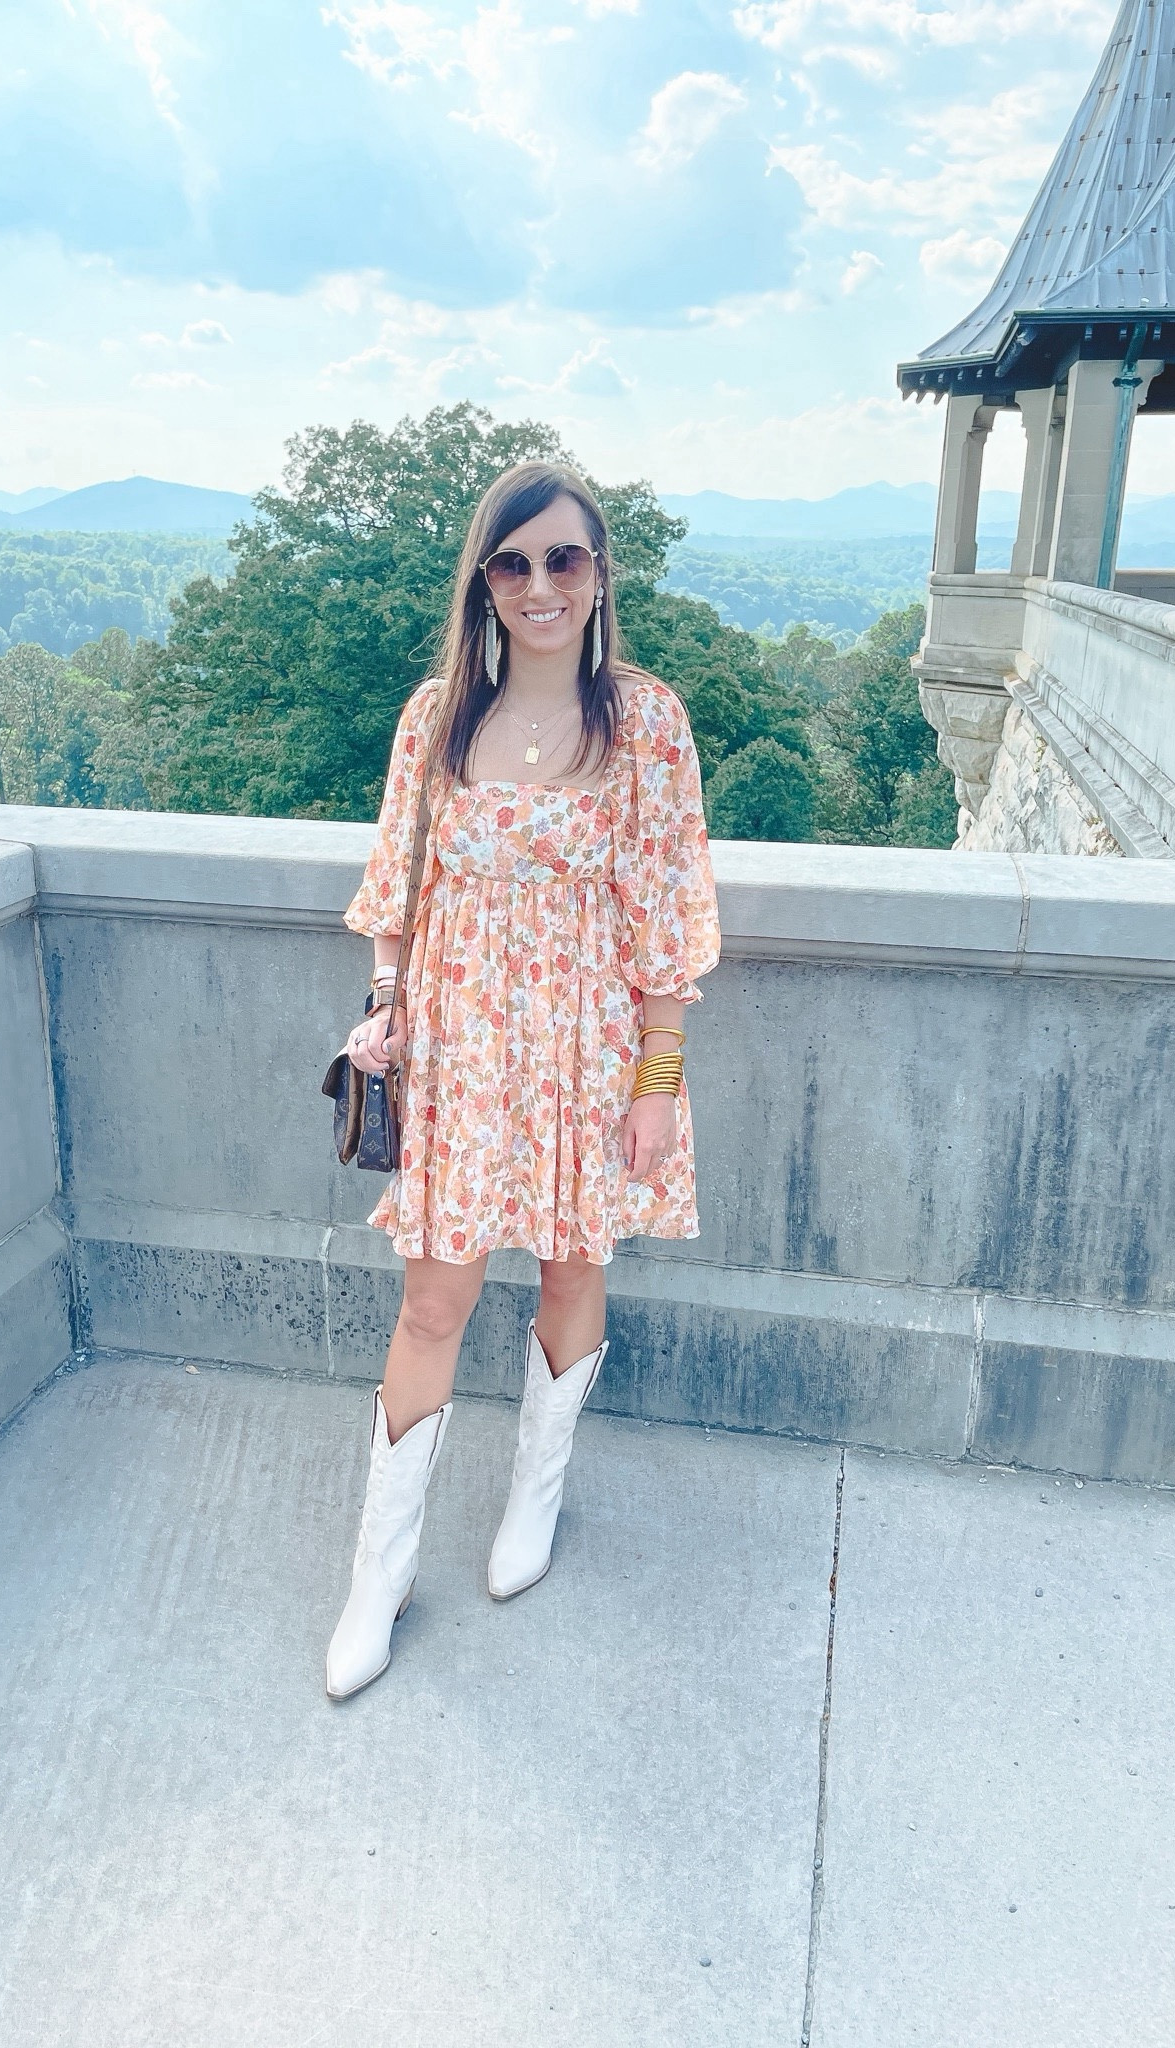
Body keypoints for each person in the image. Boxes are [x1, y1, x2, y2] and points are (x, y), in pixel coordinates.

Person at [326, 459, 720, 1699]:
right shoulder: (439, 714)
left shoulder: (645, 720)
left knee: (571, 1267)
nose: (540, 583)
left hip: (591, 1054)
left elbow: (668, 910)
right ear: (484, 582)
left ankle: (532, 1502)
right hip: (458, 1047)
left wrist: (656, 1078)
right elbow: (397, 890)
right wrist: (386, 1010)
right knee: (431, 1303)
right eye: (514, 561)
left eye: (565, 558)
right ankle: (375, 1578)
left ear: (601, 574)